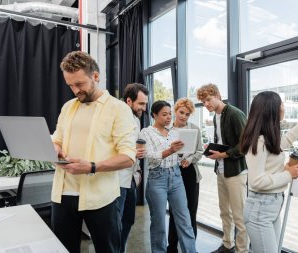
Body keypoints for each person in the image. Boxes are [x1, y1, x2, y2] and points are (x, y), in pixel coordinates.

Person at [51, 51, 137, 253]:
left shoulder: (118, 109)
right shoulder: (68, 107)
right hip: (63, 194)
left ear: (95, 77)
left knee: (108, 250)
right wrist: (54, 149)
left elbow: (128, 157)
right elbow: (57, 139)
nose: (75, 90)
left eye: (79, 84)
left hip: (101, 198)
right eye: (70, 85)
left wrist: (92, 167)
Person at [240, 91, 298, 253]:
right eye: (282, 105)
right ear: (271, 110)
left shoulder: (266, 138)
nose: (284, 108)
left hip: (271, 206)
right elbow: (256, 181)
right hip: (260, 209)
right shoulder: (258, 141)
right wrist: (288, 174)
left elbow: (283, 143)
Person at [197, 84, 249, 253]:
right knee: (224, 212)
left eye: (208, 100)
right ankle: (228, 244)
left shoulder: (235, 114)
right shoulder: (215, 117)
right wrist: (213, 149)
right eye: (203, 102)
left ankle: (242, 250)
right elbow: (224, 141)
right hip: (221, 170)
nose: (206, 104)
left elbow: (245, 145)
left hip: (236, 172)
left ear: (218, 95)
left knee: (239, 216)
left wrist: (223, 155)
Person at [139, 100, 197, 253]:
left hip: (176, 176)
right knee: (158, 223)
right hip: (157, 179)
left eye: (170, 113)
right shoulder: (146, 132)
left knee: (184, 220)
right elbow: (149, 156)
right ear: (154, 115)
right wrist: (170, 150)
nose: (168, 117)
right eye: (164, 114)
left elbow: (176, 157)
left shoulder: (173, 132)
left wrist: (183, 154)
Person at [167, 98, 203, 253]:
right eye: (181, 112)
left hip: (189, 173)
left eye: (187, 114)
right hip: (173, 171)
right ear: (175, 111)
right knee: (175, 210)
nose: (183, 116)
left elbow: (200, 151)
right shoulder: (167, 129)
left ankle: (190, 246)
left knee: (191, 210)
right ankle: (172, 246)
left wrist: (189, 159)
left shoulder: (194, 128)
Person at [118, 83, 149, 253]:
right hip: (117, 179)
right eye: (141, 104)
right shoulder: (116, 116)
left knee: (128, 220)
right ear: (129, 101)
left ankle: (120, 249)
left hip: (130, 178)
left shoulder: (136, 120)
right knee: (117, 222)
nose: (144, 108)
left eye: (145, 104)